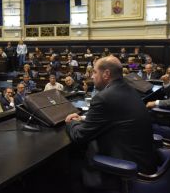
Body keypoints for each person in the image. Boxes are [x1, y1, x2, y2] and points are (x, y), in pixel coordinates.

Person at [65, 56, 157, 191]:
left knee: (73, 163)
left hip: (128, 170)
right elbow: (114, 116)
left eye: (95, 72)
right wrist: (84, 119)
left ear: (106, 74)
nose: (92, 76)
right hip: (144, 160)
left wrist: (70, 122)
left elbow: (80, 136)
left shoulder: (104, 97)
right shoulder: (129, 89)